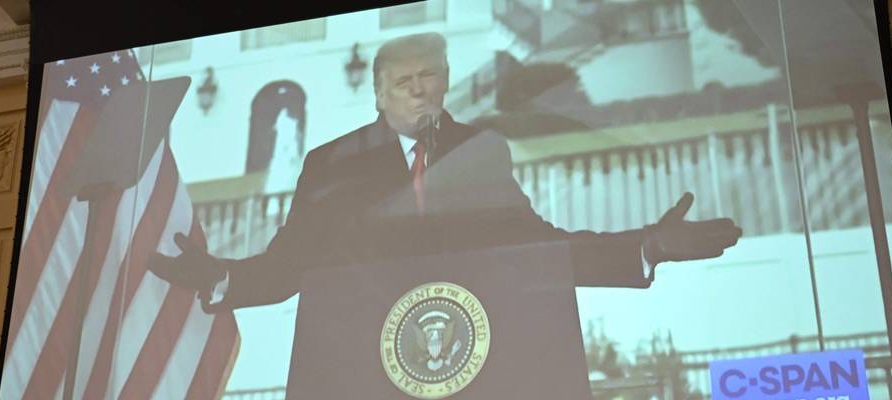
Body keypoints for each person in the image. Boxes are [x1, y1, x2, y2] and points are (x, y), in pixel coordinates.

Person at [150, 32, 742, 312]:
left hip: (474, 348)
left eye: (429, 76)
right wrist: (224, 275)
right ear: (378, 97)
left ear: (446, 80)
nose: (419, 90)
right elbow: (289, 267)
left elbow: (539, 248)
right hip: (361, 356)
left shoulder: (480, 151)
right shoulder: (331, 163)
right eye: (403, 83)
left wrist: (645, 246)